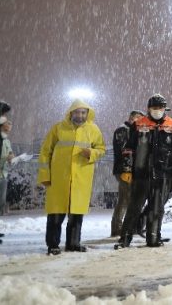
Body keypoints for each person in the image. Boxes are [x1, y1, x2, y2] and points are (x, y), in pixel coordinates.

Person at [116, 94, 172, 248]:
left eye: (160, 108)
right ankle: (125, 239)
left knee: (156, 209)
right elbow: (129, 149)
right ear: (148, 109)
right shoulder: (139, 124)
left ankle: (153, 238)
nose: (157, 111)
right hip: (141, 174)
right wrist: (127, 169)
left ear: (164, 108)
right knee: (134, 207)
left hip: (164, 174)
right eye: (154, 108)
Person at [37, 99, 106, 255]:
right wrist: (44, 175)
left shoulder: (93, 129)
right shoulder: (58, 128)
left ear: (87, 113)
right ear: (71, 112)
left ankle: (73, 244)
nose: (80, 115)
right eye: (77, 112)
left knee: (76, 215)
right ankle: (53, 245)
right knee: (56, 214)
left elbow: (101, 149)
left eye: (83, 112)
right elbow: (45, 152)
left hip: (81, 179)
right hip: (58, 179)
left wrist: (92, 153)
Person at [110, 110, 144, 237]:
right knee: (126, 199)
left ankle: (125, 227)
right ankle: (118, 229)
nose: (138, 121)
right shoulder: (123, 131)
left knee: (127, 199)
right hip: (123, 170)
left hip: (130, 170)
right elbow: (125, 151)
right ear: (131, 118)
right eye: (137, 118)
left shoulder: (133, 130)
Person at [0, 118, 13, 244]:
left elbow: (10, 153)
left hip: (3, 175)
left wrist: (12, 157)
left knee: (0, 204)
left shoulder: (7, 141)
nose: (9, 126)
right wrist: (5, 158)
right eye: (7, 124)